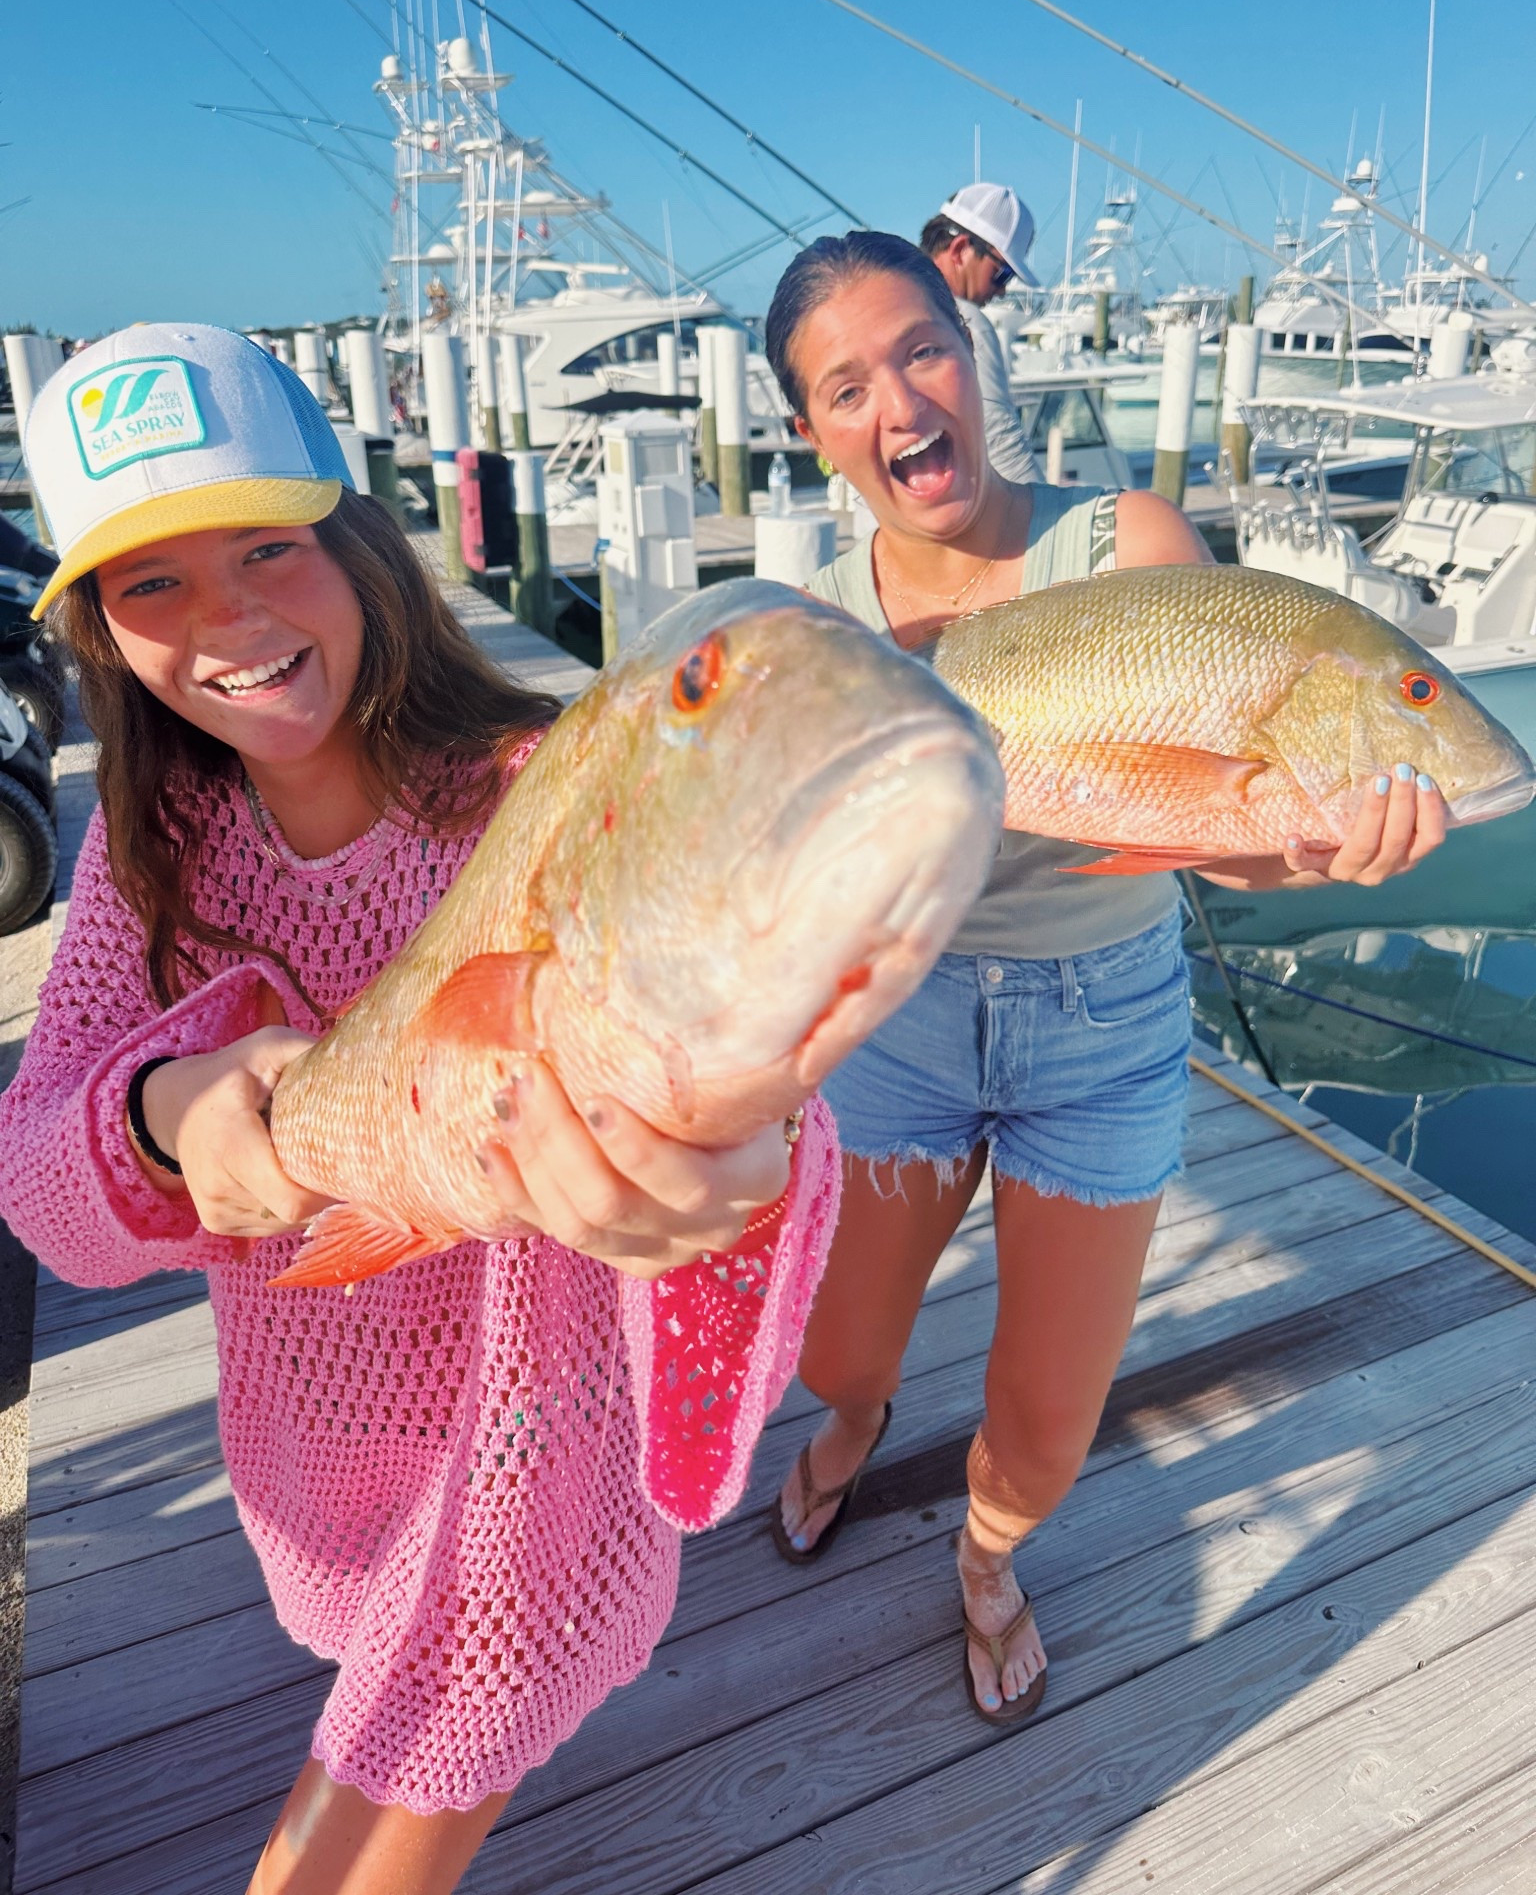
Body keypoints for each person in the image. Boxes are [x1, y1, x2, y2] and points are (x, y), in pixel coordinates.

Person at [0, 324, 839, 1895]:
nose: (229, 617)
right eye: (151, 583)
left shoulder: (551, 787)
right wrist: (164, 1115)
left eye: (268, 547)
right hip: (315, 1465)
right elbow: (38, 1176)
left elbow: (750, 1075)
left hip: (537, 1459)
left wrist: (753, 1160)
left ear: (366, 545)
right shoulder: (149, 852)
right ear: (105, 631)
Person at [762, 232, 1448, 1725]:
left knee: (1054, 1415)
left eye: (921, 349)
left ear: (975, 343)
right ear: (811, 430)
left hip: (1104, 1026)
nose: (899, 404)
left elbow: (1222, 840)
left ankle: (990, 1563)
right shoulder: (808, 614)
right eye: (844, 386)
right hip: (899, 1019)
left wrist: (1323, 848)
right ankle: (853, 1427)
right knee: (839, 1347)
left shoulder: (1129, 544)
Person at [921, 181, 1041, 485]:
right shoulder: (964, 319)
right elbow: (997, 435)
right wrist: (1050, 508)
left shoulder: (890, 301)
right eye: (1003, 273)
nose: (1002, 291)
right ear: (960, 250)